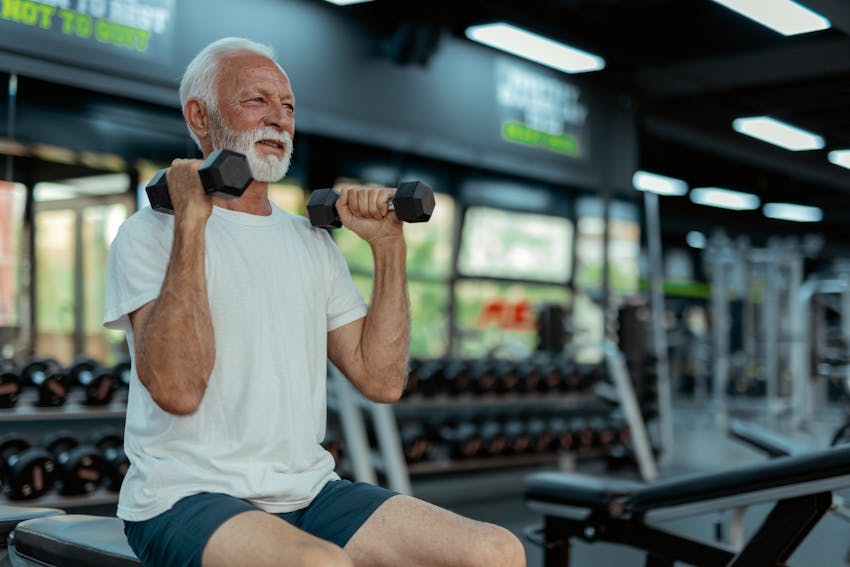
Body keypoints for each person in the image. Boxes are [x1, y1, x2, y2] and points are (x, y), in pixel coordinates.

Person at [104, 37, 526, 567]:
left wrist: (388, 246)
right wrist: (191, 219)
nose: (279, 120)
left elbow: (382, 380)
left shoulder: (310, 241)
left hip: (309, 492)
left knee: (495, 552)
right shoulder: (147, 235)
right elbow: (178, 390)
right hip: (185, 497)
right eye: (256, 101)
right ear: (200, 116)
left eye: (288, 107)